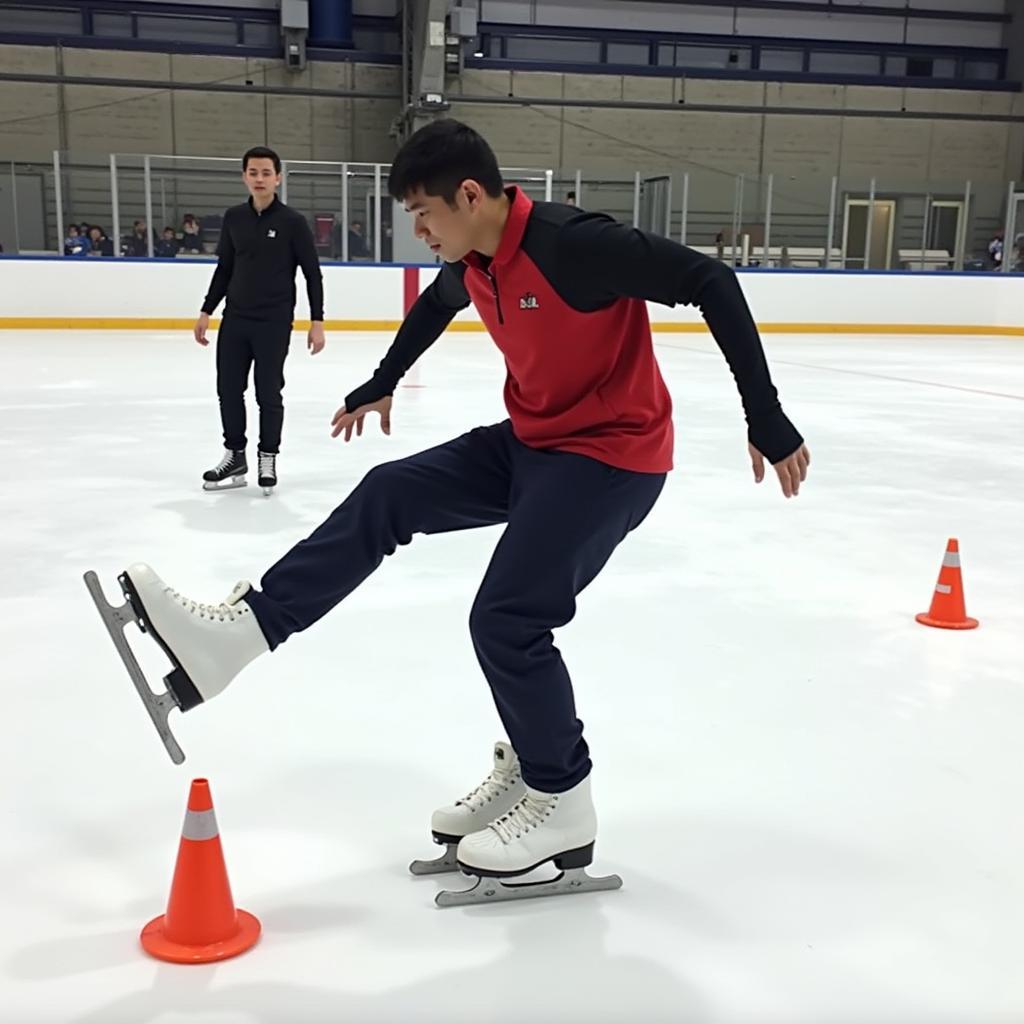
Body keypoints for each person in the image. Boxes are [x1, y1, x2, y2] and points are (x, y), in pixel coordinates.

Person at [108, 120, 809, 899]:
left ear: (470, 195)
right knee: (389, 492)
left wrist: (766, 417)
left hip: (612, 457)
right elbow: (437, 308)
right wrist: (382, 379)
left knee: (508, 617)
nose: (419, 232)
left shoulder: (573, 243)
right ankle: (239, 637)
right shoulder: (475, 256)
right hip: (534, 444)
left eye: (424, 215)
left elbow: (712, 279)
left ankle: (562, 796)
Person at [193, 146, 325, 495]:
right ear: (244, 177)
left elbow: (312, 274)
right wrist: (207, 310)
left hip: (273, 321)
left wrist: (317, 321)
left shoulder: (292, 223)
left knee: (268, 392)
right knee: (228, 390)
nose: (259, 178)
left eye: (266, 172)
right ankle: (235, 455)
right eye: (253, 172)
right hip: (235, 319)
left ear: (278, 177)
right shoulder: (234, 218)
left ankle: (268, 455)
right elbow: (225, 268)